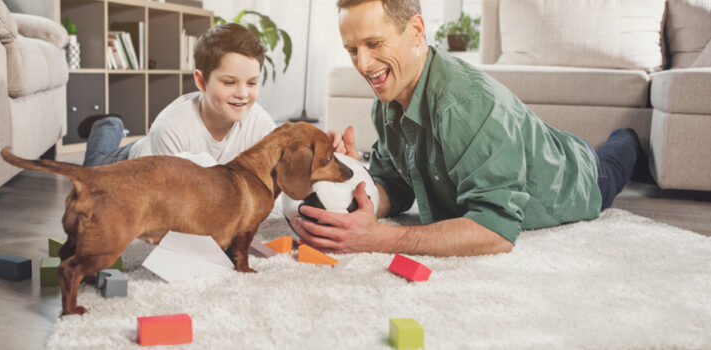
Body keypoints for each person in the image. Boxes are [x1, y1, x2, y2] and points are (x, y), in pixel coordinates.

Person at [293, 0, 642, 257]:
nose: (363, 64)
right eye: (352, 50)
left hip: (578, 176)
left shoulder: (465, 104)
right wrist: (355, 180)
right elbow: (396, 187)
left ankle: (630, 138)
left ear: (416, 32)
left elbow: (496, 230)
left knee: (617, 155)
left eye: (374, 43)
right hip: (530, 143)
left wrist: (379, 238)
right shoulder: (387, 102)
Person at [79, 23, 276, 167]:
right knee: (93, 172)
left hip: (159, 151)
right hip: (135, 165)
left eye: (252, 83)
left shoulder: (261, 125)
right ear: (200, 81)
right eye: (229, 82)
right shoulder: (171, 128)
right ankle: (108, 124)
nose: (242, 94)